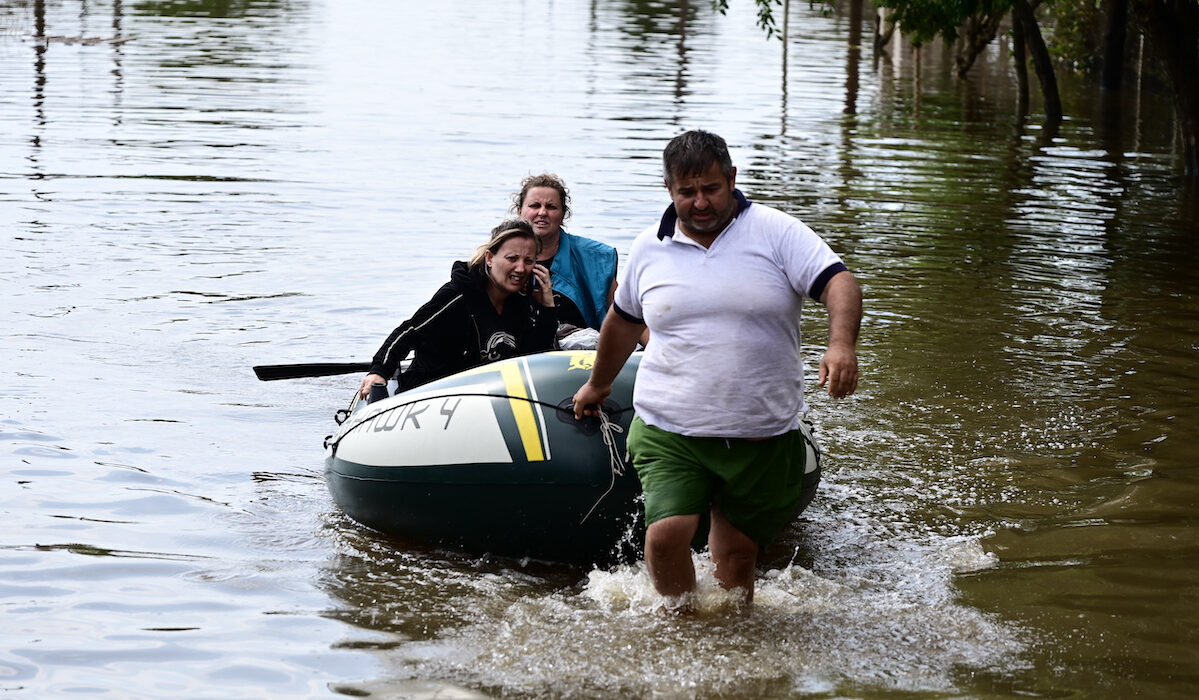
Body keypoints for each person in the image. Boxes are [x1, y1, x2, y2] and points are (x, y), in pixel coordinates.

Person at [572, 130, 862, 608]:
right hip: (671, 426)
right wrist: (597, 385)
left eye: (710, 188)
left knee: (737, 558)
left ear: (731, 179)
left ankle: (731, 638)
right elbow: (623, 324)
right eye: (687, 192)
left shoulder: (776, 232)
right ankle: (681, 626)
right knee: (666, 537)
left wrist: (840, 345)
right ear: (669, 189)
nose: (700, 202)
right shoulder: (650, 247)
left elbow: (840, 282)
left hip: (760, 435)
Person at [358, 219, 579, 399]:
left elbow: (537, 360)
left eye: (528, 261)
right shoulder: (459, 294)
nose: (521, 268)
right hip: (432, 395)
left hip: (493, 399)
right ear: (490, 258)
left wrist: (547, 309)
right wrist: (379, 371)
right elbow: (409, 332)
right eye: (512, 258)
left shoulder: (527, 302)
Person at [513, 173, 618, 331]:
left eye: (551, 207)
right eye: (534, 205)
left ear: (563, 215)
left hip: (581, 349)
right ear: (520, 211)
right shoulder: (497, 255)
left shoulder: (595, 258)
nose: (542, 212)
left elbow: (626, 316)